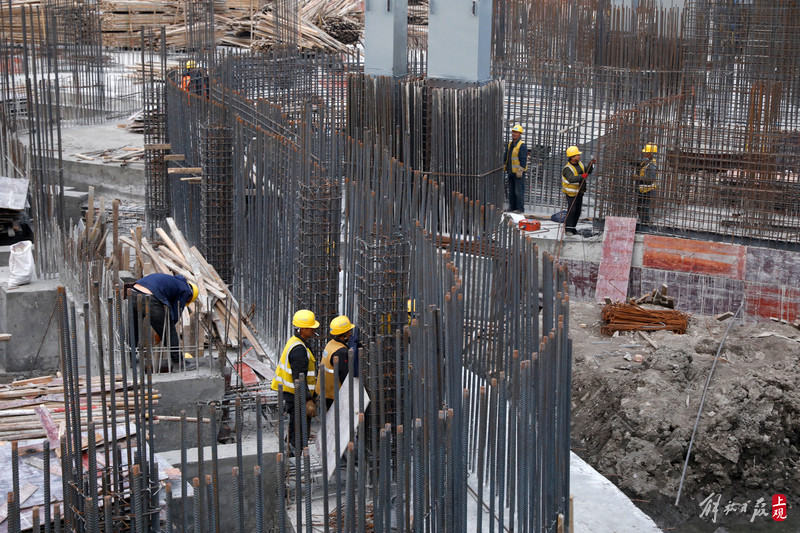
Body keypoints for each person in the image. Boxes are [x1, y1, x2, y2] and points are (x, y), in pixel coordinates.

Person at [271, 309, 319, 452]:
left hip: (293, 393)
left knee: (295, 426)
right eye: (311, 327)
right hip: (297, 395)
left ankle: (293, 450)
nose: (314, 330)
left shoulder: (296, 341)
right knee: (300, 428)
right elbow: (300, 378)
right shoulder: (299, 349)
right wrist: (308, 399)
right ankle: (296, 455)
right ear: (303, 329)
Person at [131, 273, 198, 368]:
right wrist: (162, 332)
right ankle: (178, 362)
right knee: (169, 332)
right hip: (149, 296)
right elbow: (175, 314)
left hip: (134, 292)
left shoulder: (174, 281)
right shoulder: (185, 291)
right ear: (190, 297)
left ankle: (130, 358)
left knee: (133, 329)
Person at [315, 316, 356, 410]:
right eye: (349, 331)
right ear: (344, 334)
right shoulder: (341, 352)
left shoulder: (331, 343)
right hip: (334, 394)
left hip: (326, 391)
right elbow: (345, 378)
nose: (350, 333)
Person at [562, 146, 595, 235]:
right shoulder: (567, 168)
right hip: (571, 193)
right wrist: (582, 176)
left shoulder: (580, 164)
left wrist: (591, 165)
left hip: (580, 191)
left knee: (577, 211)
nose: (579, 156)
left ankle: (573, 228)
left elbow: (587, 171)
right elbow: (571, 178)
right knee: (571, 211)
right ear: (572, 157)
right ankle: (568, 229)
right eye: (577, 155)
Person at [503, 124, 528, 214]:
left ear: (520, 134)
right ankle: (512, 207)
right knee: (511, 191)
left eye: (516, 132)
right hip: (510, 171)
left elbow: (523, 160)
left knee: (518, 191)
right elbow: (506, 156)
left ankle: (520, 208)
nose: (514, 134)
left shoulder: (522, 145)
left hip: (518, 173)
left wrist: (520, 171)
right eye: (513, 132)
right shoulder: (510, 144)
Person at [636, 144, 658, 225]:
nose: (644, 154)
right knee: (639, 208)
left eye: (646, 152)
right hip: (644, 189)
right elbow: (638, 163)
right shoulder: (647, 162)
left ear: (650, 154)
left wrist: (638, 178)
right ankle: (643, 223)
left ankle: (647, 225)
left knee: (645, 209)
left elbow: (650, 180)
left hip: (649, 190)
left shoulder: (652, 165)